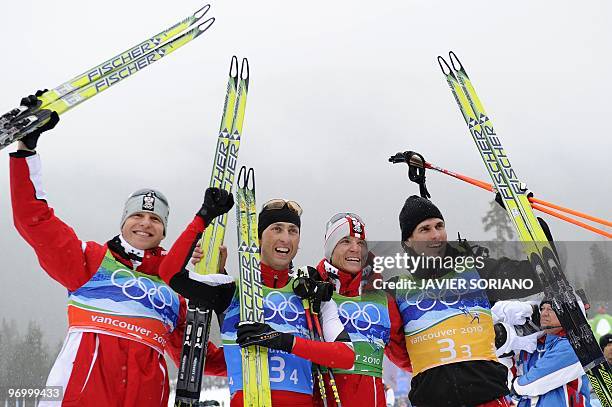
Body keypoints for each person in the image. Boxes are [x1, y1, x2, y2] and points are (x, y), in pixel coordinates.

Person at [9, 109, 233, 406]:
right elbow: (33, 219)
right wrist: (27, 151)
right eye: (137, 215)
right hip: (82, 395)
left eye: (155, 219)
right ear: (123, 221)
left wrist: (253, 357)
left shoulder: (173, 291)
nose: (145, 223)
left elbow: (198, 355)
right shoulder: (88, 261)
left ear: (164, 231)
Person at [160, 199, 356, 406]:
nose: (285, 238)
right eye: (277, 229)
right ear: (259, 238)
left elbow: (346, 357)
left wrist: (282, 341)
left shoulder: (312, 297)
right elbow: (170, 273)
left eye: (293, 231)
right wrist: (203, 219)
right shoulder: (231, 291)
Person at [392, 195, 544, 407]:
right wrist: (434, 368)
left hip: (488, 398)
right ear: (408, 241)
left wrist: (523, 217)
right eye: (425, 229)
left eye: (439, 226)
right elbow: (397, 349)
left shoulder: (476, 271)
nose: (436, 235)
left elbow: (537, 275)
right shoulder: (396, 289)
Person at [311, 213, 411, 406]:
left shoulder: (382, 298)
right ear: (330, 247)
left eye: (361, 243)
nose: (355, 249)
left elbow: (404, 355)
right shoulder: (313, 291)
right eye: (345, 241)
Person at [511, 300, 591, 406]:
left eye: (551, 309)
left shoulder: (574, 345)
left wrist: (516, 386)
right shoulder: (535, 345)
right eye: (542, 309)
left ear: (568, 314)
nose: (544, 313)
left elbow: (533, 383)